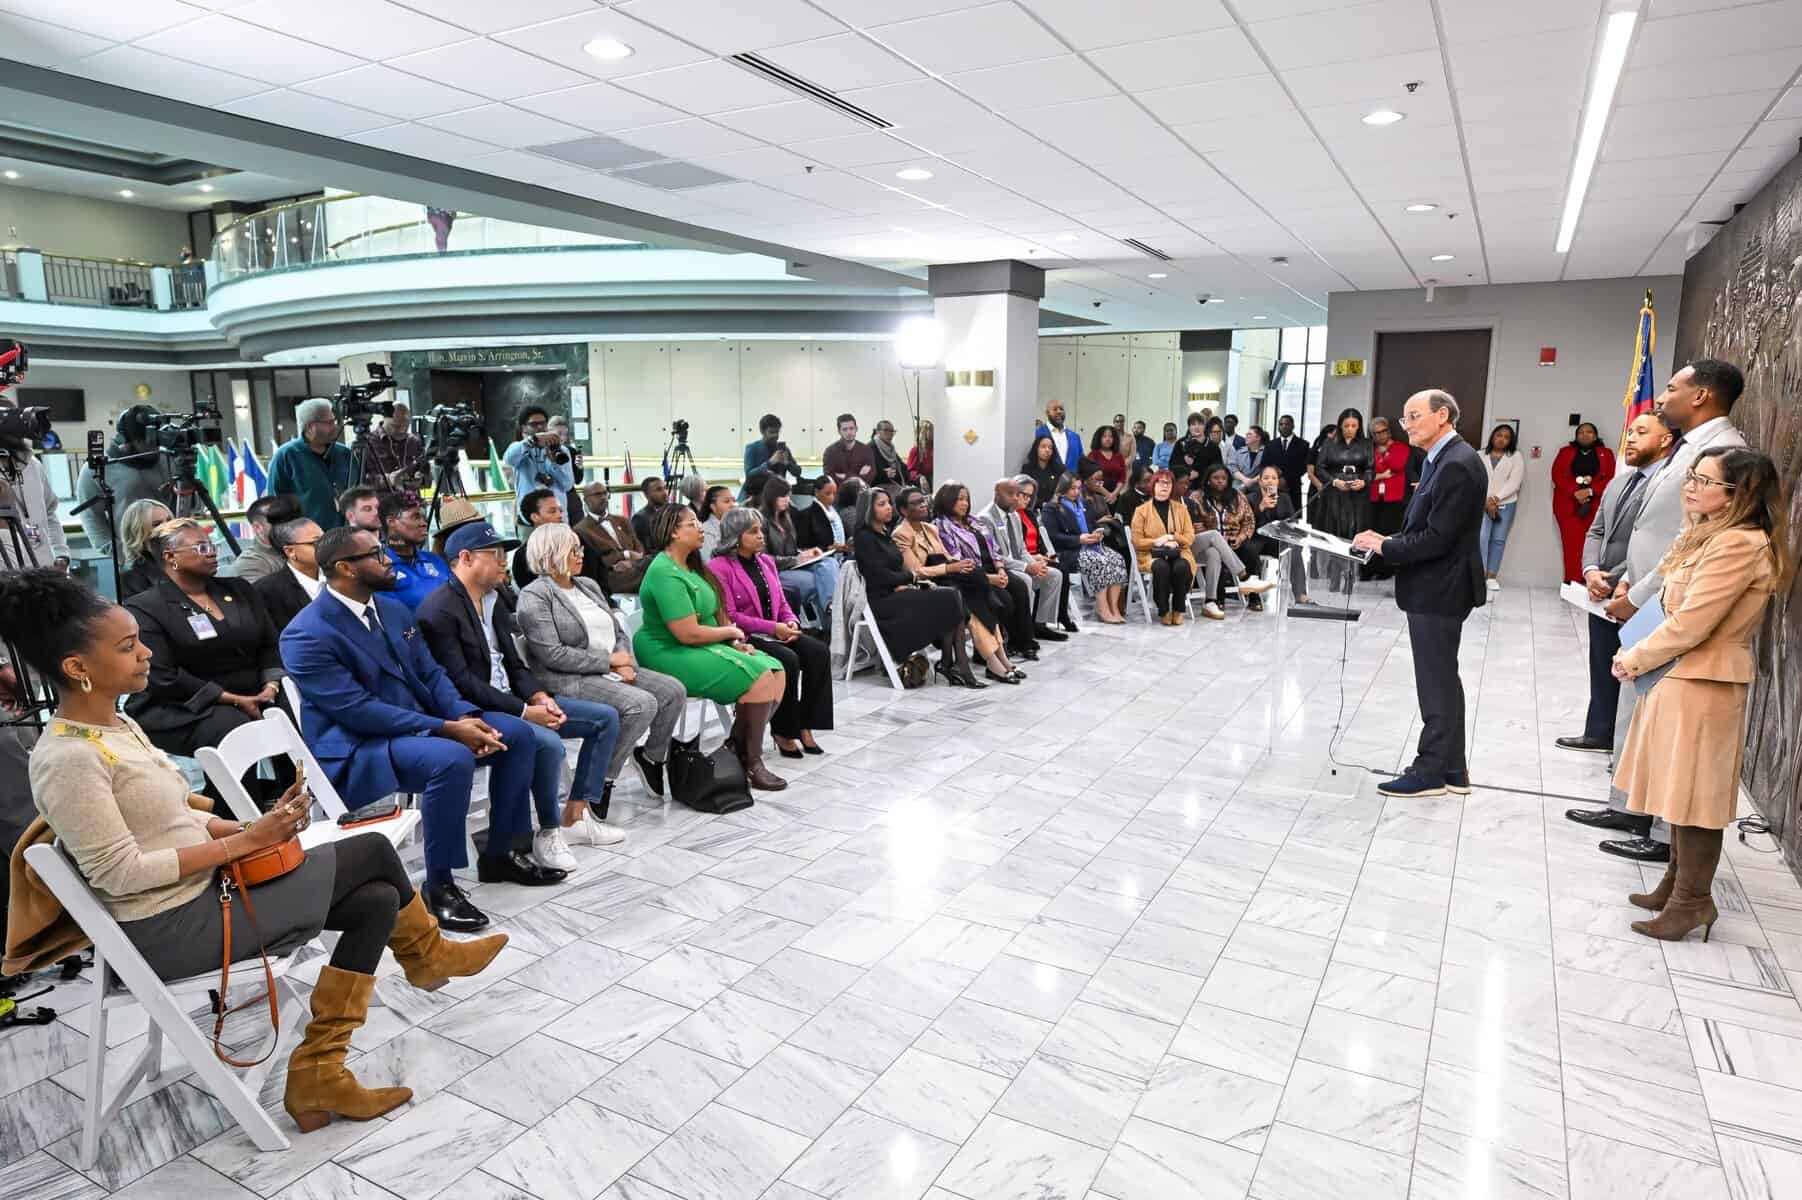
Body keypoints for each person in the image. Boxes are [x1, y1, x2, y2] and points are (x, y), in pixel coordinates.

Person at [0, 568, 508, 1136]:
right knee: (368, 851)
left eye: (139, 640)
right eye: (127, 647)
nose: (147, 654)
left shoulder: (115, 725)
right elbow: (119, 873)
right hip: (170, 928)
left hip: (201, 897)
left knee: (375, 900)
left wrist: (248, 827)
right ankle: (427, 957)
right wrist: (245, 842)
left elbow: (173, 815)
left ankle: (320, 1072)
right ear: (78, 668)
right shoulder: (67, 759)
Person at [280, 527, 558, 933]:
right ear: (345, 568)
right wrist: (446, 728)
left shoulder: (391, 610)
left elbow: (431, 673)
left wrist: (462, 716)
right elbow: (357, 711)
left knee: (517, 735)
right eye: (376, 555)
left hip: (419, 725)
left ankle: (500, 852)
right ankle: (439, 884)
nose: (389, 560)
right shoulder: (306, 632)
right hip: (361, 745)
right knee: (451, 758)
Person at [1609, 447, 1786, 941]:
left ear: (1737, 494)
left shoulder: (1739, 544)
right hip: (1680, 674)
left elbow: (1693, 622)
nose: (1691, 486)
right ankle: (1676, 883)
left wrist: (1635, 657)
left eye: (1705, 481)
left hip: (1705, 680)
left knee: (1695, 796)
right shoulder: (1708, 535)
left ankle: (1692, 900)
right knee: (1677, 788)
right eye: (1692, 476)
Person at [1587, 359, 1747, 865]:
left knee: (1661, 718)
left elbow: (1689, 537)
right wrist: (1629, 579)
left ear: (1700, 396)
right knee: (1636, 708)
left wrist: (1638, 594)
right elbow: (1652, 528)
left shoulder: (1725, 452)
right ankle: (1629, 808)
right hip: (1650, 590)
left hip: (1671, 600)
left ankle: (1657, 830)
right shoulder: (1688, 446)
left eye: (1673, 388)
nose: (1661, 398)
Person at [418, 522, 622, 872]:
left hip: (513, 700)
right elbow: (462, 683)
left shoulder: (494, 601)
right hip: (475, 711)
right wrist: (525, 711)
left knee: (604, 717)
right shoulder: (439, 610)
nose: (504, 562)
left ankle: (577, 814)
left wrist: (539, 697)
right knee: (548, 744)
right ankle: (548, 831)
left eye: (505, 554)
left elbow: (514, 664)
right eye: (495, 554)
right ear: (465, 558)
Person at [1353, 389, 1486, 798]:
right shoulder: (1439, 459)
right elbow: (1424, 525)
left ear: (1442, 416)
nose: (1405, 425)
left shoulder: (1457, 464)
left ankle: (1430, 771)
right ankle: (1453, 769)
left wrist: (1386, 547)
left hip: (1441, 587)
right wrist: (1387, 538)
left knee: (1435, 682)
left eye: (1413, 416)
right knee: (1442, 678)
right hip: (1435, 584)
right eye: (1404, 417)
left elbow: (1437, 539)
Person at [517, 524, 685, 822]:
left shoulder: (587, 585)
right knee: (641, 704)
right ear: (551, 554)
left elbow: (617, 629)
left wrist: (623, 660)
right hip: (570, 678)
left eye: (580, 548)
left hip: (612, 667)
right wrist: (608, 661)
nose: (581, 554)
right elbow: (552, 654)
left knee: (673, 691)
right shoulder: (535, 596)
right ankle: (601, 780)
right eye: (573, 550)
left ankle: (651, 757)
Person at [123, 518, 294, 798]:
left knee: (297, 710)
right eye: (201, 547)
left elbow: (269, 644)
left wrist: (271, 686)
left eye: (212, 545)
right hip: (182, 703)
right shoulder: (146, 606)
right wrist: (234, 699)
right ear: (170, 557)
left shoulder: (239, 589)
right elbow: (163, 675)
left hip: (257, 691)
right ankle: (236, 813)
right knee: (234, 728)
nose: (212, 552)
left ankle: (295, 795)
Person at [633, 505, 789, 790]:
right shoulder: (664, 572)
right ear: (673, 532)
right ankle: (752, 762)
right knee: (760, 678)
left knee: (777, 671)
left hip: (702, 641)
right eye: (692, 523)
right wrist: (730, 632)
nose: (701, 528)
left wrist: (733, 642)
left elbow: (716, 612)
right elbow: (687, 633)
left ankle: (736, 748)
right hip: (668, 650)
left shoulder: (693, 565)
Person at [1555, 412, 1670, 758]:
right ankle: (1599, 732)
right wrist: (1591, 570)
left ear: (1666, 440)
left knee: (1631, 667)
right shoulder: (1619, 482)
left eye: (1641, 432)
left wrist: (1615, 577)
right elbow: (1597, 530)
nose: (1630, 438)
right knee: (1601, 660)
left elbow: (1655, 543)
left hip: (1637, 591)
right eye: (1630, 431)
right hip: (1601, 590)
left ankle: (1625, 747)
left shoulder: (1666, 486)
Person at [708, 509, 834, 755]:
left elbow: (782, 602)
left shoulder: (765, 561)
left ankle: (805, 724)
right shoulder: (719, 567)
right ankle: (783, 730)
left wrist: (791, 622)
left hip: (775, 631)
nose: (761, 536)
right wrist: (773, 628)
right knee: (788, 659)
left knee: (819, 653)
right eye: (753, 531)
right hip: (745, 637)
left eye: (761, 530)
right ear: (735, 536)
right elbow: (731, 616)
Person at [893, 486, 1022, 684]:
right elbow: (916, 572)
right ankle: (992, 660)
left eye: (923, 500)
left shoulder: (930, 528)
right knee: (970, 600)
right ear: (903, 510)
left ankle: (999, 658)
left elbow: (947, 557)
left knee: (978, 593)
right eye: (916, 503)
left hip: (947, 580)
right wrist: (950, 568)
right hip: (926, 585)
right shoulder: (901, 534)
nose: (923, 505)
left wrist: (961, 565)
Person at [851, 488, 969, 682]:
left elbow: (891, 571)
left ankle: (952, 663)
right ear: (869, 509)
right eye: (881, 504)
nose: (889, 508)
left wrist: (905, 582)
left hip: (894, 591)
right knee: (949, 596)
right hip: (880, 602)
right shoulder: (865, 537)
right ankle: (954, 664)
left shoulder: (883, 533)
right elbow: (879, 576)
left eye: (888, 503)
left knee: (953, 595)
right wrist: (911, 577)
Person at [935, 482, 1034, 673]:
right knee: (1003, 601)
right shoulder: (942, 525)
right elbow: (957, 560)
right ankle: (989, 654)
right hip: (971, 575)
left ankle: (1021, 642)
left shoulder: (973, 520)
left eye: (966, 499)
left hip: (991, 567)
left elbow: (994, 548)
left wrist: (1001, 569)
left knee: (1020, 587)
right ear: (947, 501)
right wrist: (989, 578)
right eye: (959, 499)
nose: (964, 503)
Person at [978, 478, 1067, 644]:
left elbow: (1021, 550)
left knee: (1054, 575)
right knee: (1026, 579)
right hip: (1001, 568)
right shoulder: (985, 518)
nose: (1015, 498)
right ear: (997, 494)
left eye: (1016, 494)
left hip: (1019, 563)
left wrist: (1034, 564)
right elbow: (994, 555)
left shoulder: (1014, 516)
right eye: (1010, 494)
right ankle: (1023, 631)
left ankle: (1040, 624)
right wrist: (1026, 567)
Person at [74, 405, 166, 558]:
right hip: (132, 558)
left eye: (157, 441)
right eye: (146, 442)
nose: (154, 447)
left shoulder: (169, 459)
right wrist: (121, 555)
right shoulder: (97, 469)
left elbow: (193, 506)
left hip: (175, 551)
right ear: (126, 441)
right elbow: (91, 517)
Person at [1042, 472, 1130, 624]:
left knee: (1117, 559)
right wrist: (1079, 539)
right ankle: (1102, 608)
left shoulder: (1084, 505)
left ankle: (1114, 607)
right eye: (1072, 488)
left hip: (1090, 546)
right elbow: (1053, 536)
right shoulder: (1052, 508)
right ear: (1063, 488)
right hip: (1068, 552)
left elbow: (1092, 526)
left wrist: (1097, 534)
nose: (1076, 492)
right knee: (1099, 561)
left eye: (1078, 488)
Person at [759, 476, 839, 632]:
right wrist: (796, 559)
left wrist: (807, 553)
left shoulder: (786, 518)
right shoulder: (762, 521)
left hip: (793, 565)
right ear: (772, 496)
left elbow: (792, 549)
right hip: (777, 571)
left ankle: (831, 608)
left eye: (788, 496)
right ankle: (833, 619)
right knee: (820, 581)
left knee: (830, 563)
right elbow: (764, 559)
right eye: (783, 496)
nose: (787, 500)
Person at [1195, 464, 1277, 613]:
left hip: (1235, 541)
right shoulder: (1198, 498)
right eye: (1216, 478)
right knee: (1216, 552)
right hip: (1211, 544)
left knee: (1251, 550)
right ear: (1208, 480)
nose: (1220, 481)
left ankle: (1254, 597)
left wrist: (1240, 537)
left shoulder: (1238, 496)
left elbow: (1249, 521)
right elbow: (1195, 525)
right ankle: (1222, 596)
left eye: (1224, 478)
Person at [1309, 408, 1373, 594]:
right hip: (1335, 493)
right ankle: (1334, 575)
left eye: (1354, 426)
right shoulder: (1330, 443)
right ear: (1340, 425)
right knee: (1335, 533)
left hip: (1357, 494)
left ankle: (1350, 574)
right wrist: (1334, 481)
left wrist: (1364, 481)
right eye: (1346, 426)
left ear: (1359, 426)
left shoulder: (1366, 444)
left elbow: (1370, 469)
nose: (1350, 429)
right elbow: (1320, 468)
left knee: (1354, 533)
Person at [0, 410, 70, 574]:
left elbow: (50, 512)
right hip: (9, 577)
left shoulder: (33, 465)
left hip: (45, 572)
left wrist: (60, 553)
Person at [268, 399, 353, 532]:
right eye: (329, 423)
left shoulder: (345, 453)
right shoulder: (285, 456)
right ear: (310, 426)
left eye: (334, 421)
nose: (335, 427)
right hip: (306, 537)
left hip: (346, 534)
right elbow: (276, 504)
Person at [1552, 422, 1617, 584]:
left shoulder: (1606, 453)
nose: (1585, 435)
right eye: (1581, 432)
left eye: (1589, 432)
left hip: (1595, 506)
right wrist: (1575, 492)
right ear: (1576, 436)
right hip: (1569, 506)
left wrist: (1590, 491)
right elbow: (1557, 475)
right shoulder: (1565, 452)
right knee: (1571, 546)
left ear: (1595, 436)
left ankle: (1590, 583)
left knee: (1592, 546)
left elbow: (1611, 477)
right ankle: (1572, 581)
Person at [1130, 469, 1196, 625]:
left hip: (1178, 552)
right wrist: (1156, 541)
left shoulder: (1181, 509)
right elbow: (1137, 541)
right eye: (1160, 482)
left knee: (1182, 566)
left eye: (1168, 483)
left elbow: (1189, 537)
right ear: (1153, 485)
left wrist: (1172, 537)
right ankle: (1164, 610)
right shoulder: (1141, 511)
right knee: (1161, 567)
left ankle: (1178, 609)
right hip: (1151, 554)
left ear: (1172, 487)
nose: (1164, 486)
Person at [1013, 475, 1077, 632]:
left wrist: (1046, 554)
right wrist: (1034, 558)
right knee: (1059, 571)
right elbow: (1017, 548)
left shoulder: (1029, 514)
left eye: (1030, 496)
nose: (1027, 499)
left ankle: (1057, 615)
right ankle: (1052, 618)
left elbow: (1039, 540)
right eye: (1024, 494)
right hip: (1026, 558)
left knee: (1062, 569)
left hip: (1037, 555)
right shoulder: (1012, 516)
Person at [1247, 466, 1313, 607]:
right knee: (1251, 551)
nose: (1270, 481)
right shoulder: (1250, 498)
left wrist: (1291, 527)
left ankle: (1300, 594)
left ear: (1278, 481)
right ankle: (1254, 596)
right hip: (1257, 539)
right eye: (1266, 478)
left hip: (1276, 540)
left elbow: (1291, 521)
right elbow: (1246, 523)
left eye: (1273, 478)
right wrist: (1261, 507)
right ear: (1260, 481)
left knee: (1294, 549)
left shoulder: (1284, 498)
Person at [378, 492, 450, 611]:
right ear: (391, 522)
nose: (424, 523)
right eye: (415, 517)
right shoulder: (379, 568)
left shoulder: (436, 560)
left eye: (424, 517)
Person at [575, 480, 649, 596]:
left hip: (636, 567)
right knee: (656, 576)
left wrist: (632, 562)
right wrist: (624, 555)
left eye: (605, 493)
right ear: (585, 500)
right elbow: (593, 563)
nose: (603, 497)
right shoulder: (581, 530)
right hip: (611, 575)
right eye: (597, 494)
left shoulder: (622, 520)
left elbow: (639, 548)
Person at [502, 407, 574, 520]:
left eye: (543, 423)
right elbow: (509, 459)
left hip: (558, 517)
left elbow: (567, 485)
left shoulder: (561, 450)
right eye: (534, 424)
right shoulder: (520, 448)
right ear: (523, 427)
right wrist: (532, 441)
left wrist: (554, 463)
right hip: (530, 519)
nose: (540, 427)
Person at [256, 517, 324, 634]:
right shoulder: (266, 590)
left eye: (326, 540)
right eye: (315, 543)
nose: (325, 546)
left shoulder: (340, 575)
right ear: (290, 551)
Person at [1364, 416, 1411, 581]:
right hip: (1373, 497)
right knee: (1371, 532)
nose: (1380, 435)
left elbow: (1398, 465)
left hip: (1394, 498)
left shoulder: (1401, 447)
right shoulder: (1369, 449)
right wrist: (1382, 470)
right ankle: (1369, 568)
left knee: (1388, 533)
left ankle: (1386, 570)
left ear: (1389, 431)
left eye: (1383, 431)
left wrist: (1385, 456)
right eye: (1376, 433)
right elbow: (1369, 470)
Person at [1478, 423, 1524, 591]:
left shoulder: (1515, 456)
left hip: (1506, 503)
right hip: (1482, 503)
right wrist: (1486, 501)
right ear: (1493, 436)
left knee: (1498, 540)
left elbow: (1515, 481)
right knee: (1481, 539)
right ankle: (1479, 575)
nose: (1502, 439)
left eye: (1506, 437)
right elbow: (1474, 478)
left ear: (1510, 441)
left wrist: (1495, 499)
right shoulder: (1479, 454)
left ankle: (1491, 577)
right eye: (1499, 435)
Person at [222, 494, 301, 582]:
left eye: (290, 519)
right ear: (258, 528)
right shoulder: (251, 562)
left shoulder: (300, 545)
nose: (289, 525)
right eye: (279, 520)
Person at [360, 403, 427, 494]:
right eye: (396, 426)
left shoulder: (414, 441)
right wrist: (388, 480)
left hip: (411, 501)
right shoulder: (367, 443)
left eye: (406, 425)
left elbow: (427, 477)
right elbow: (358, 481)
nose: (402, 430)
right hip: (381, 502)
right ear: (384, 419)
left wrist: (420, 480)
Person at [115, 498, 173, 600]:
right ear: (138, 532)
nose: (168, 527)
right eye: (157, 524)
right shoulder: (130, 577)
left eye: (169, 520)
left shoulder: (183, 559)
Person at [741, 413, 804, 501]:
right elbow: (749, 475)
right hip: (755, 497)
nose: (775, 435)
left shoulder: (784, 449)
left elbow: (798, 472)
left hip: (776, 496)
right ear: (762, 432)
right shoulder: (752, 448)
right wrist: (769, 463)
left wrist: (788, 463)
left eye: (777, 432)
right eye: (771, 432)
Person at [512, 488, 563, 590]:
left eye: (560, 510)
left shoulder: (573, 543)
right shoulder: (524, 555)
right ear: (535, 517)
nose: (560, 515)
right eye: (552, 511)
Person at [797, 475, 851, 562]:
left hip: (839, 559)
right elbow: (805, 547)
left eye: (834, 493)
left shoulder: (835, 513)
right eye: (828, 493)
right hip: (820, 562)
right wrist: (830, 548)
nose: (832, 497)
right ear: (816, 492)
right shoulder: (806, 515)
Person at [1170, 411, 1223, 489]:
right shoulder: (1181, 443)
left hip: (1204, 487)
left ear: (1205, 426)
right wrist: (1187, 472)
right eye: (1193, 424)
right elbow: (1172, 466)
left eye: (1200, 424)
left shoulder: (1213, 447)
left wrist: (1199, 473)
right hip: (1182, 487)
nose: (1196, 427)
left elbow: (1218, 469)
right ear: (1189, 427)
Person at [1268, 414, 1311, 507]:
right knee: (1273, 512)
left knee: (1293, 513)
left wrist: (1286, 479)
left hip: (1293, 485)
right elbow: (1265, 464)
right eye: (1281, 424)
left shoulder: (1303, 444)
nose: (1283, 426)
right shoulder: (1271, 444)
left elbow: (1303, 467)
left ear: (1293, 426)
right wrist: (1277, 478)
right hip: (1273, 485)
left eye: (1287, 424)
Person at [821, 413, 874, 486]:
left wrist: (845, 476)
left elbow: (871, 476)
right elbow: (829, 477)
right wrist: (858, 476)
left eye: (851, 428)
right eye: (845, 429)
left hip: (862, 491)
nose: (849, 432)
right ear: (839, 431)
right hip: (839, 491)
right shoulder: (830, 452)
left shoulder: (866, 450)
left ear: (856, 429)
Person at [1035, 401, 1083, 471]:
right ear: (1047, 413)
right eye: (1055, 409)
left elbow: (1081, 462)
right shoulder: (1037, 434)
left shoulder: (1075, 437)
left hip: (1073, 477)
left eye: (1061, 409)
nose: (1059, 411)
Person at [1085, 426, 1130, 499]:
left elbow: (1122, 477)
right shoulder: (1093, 455)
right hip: (1097, 495)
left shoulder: (1118, 456)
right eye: (1104, 436)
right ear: (1099, 438)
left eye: (1111, 436)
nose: (1108, 439)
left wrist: (1115, 494)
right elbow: (1090, 479)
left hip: (1115, 495)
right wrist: (1108, 494)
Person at [630, 476, 672, 550]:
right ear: (646, 494)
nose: (665, 493)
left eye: (665, 488)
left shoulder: (673, 513)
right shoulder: (640, 519)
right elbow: (644, 548)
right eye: (659, 490)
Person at [1020, 433, 1063, 503]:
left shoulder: (1059, 469)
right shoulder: (1027, 469)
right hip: (1033, 507)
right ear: (1036, 448)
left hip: (1054, 507)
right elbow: (1023, 494)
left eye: (1050, 447)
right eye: (1043, 447)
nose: (1047, 450)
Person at [870, 420, 910, 491]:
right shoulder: (870, 448)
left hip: (896, 485)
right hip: (879, 488)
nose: (890, 434)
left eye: (892, 431)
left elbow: (903, 468)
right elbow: (868, 474)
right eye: (886, 430)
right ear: (878, 432)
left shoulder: (891, 449)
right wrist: (884, 474)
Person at [699, 485, 736, 559]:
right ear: (713, 507)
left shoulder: (736, 525)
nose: (733, 505)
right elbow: (709, 561)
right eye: (727, 501)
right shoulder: (706, 530)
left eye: (734, 501)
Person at [905, 420, 934, 490]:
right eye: (930, 430)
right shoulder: (916, 450)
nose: (933, 432)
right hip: (925, 482)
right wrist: (920, 477)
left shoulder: (936, 448)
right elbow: (910, 472)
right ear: (923, 432)